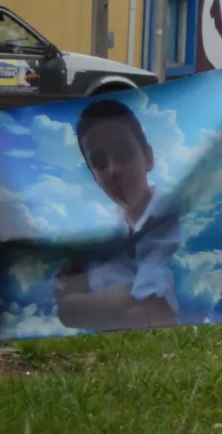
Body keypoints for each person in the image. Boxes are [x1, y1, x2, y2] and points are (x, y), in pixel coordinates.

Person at [53, 97, 181, 331]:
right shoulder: (106, 229)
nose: (113, 169)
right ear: (94, 176)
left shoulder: (169, 218)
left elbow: (151, 309)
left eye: (124, 154)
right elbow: (64, 308)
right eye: (100, 163)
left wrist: (83, 304)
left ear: (148, 158)